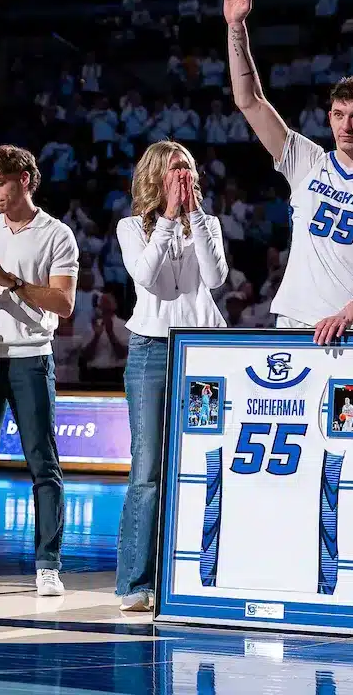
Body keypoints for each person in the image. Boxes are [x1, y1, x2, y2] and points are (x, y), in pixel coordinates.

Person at [220, 0, 353, 343]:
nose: (346, 126)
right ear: (329, 117)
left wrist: (346, 315)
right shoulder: (307, 161)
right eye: (339, 115)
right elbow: (249, 100)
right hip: (295, 321)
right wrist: (236, 27)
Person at [0, 145, 79, 597]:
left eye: (1, 182)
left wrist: (17, 286)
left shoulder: (57, 234)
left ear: (25, 179)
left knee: (42, 463)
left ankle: (48, 565)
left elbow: (64, 304)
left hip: (31, 356)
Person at [114, 140, 227, 612]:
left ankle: (194, 574)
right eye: (175, 171)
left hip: (202, 354)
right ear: (156, 177)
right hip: (153, 352)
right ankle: (136, 583)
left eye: (189, 170)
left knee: (202, 464)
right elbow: (146, 276)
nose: (184, 179)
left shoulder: (210, 223)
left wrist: (194, 217)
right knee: (147, 470)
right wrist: (167, 218)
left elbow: (217, 278)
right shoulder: (130, 227)